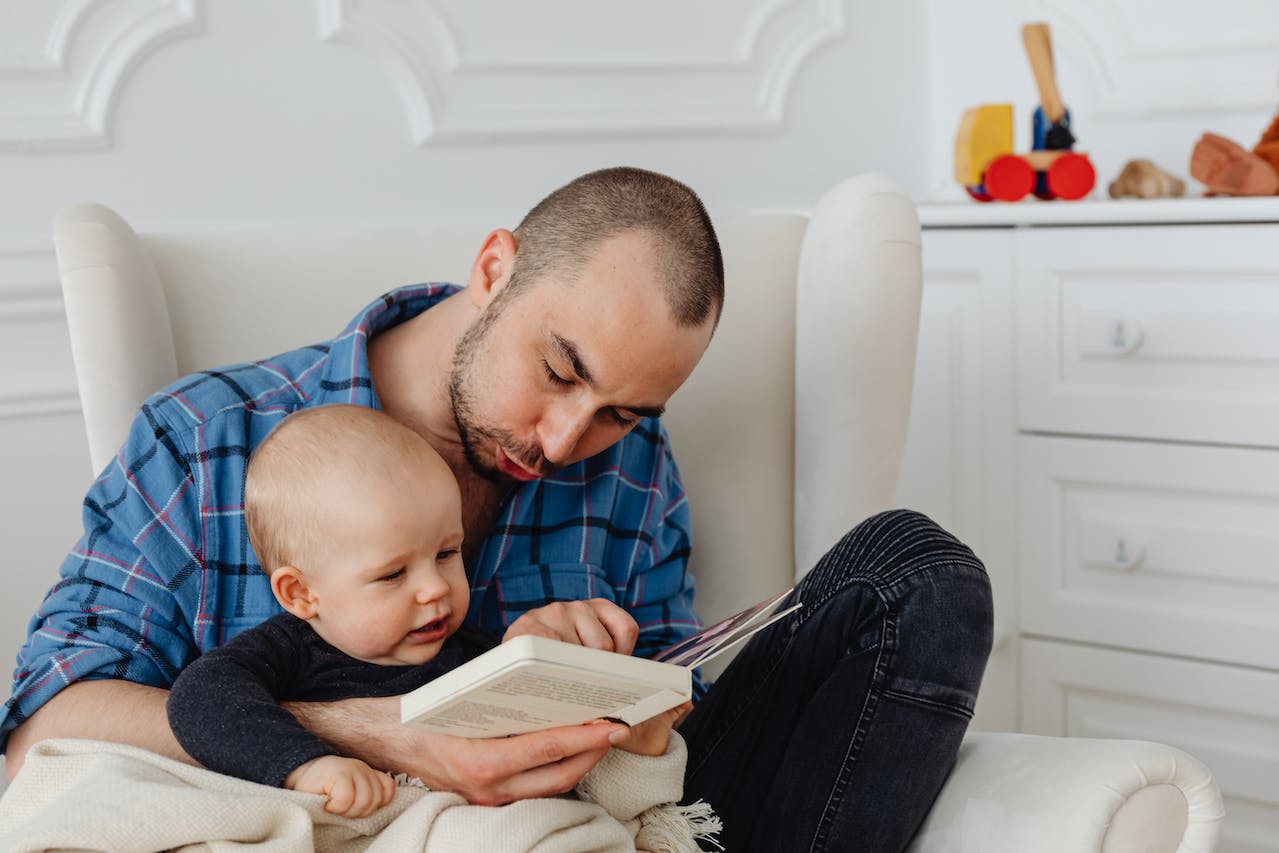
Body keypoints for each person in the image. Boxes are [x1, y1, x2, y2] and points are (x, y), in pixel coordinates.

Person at [3, 166, 992, 851]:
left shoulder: (631, 464)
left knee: (915, 573)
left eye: (619, 411)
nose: (563, 442)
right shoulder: (205, 439)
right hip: (343, 826)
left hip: (585, 825)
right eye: (560, 371)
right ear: (492, 268)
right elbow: (46, 732)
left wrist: (622, 685)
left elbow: (666, 749)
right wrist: (385, 732)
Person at [163, 403, 708, 848]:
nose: (434, 589)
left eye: (447, 554)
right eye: (394, 573)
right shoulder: (285, 652)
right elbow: (198, 701)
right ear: (301, 593)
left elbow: (571, 782)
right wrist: (305, 766)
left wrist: (637, 741)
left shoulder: (477, 655)